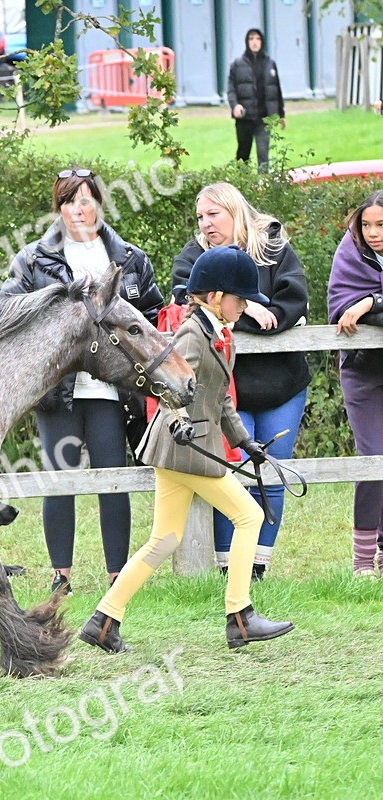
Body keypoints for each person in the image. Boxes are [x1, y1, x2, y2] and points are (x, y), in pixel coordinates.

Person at [80, 245, 295, 653]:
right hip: (186, 446)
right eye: (240, 298)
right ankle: (240, 617)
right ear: (216, 296)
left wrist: (244, 441)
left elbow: (219, 399)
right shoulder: (193, 334)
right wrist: (179, 421)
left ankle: (103, 621)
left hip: (183, 448)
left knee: (164, 539)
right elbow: (166, 385)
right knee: (249, 515)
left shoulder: (219, 334)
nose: (245, 305)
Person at [1, 168, 163, 594]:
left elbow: (155, 315)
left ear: (100, 204)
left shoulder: (131, 258)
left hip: (114, 389)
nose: (79, 208)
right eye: (70, 200)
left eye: (86, 199)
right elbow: (8, 311)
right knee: (61, 479)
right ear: (59, 207)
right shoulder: (34, 259)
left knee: (113, 479)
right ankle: (61, 576)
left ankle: (118, 576)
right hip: (59, 392)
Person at [171, 182, 310, 579]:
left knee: (274, 471)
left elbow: (292, 302)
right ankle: (227, 566)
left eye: (213, 214)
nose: (206, 223)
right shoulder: (195, 255)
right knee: (230, 474)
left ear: (234, 211)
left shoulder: (272, 245)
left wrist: (240, 312)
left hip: (281, 381)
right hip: (225, 386)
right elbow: (187, 299)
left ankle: (258, 567)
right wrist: (251, 307)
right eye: (200, 216)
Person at [327, 190, 383, 577]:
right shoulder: (349, 254)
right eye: (366, 225)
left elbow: (360, 310)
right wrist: (365, 304)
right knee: (373, 458)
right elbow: (338, 310)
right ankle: (363, 561)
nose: (373, 232)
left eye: (381, 225)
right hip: (362, 371)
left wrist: (370, 304)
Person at [226, 28, 285, 172]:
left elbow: (276, 89)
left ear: (262, 42)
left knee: (263, 155)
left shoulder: (270, 64)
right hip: (245, 118)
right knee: (243, 154)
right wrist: (235, 105)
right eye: (251, 39)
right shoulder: (237, 65)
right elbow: (231, 89)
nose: (254, 42)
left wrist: (281, 114)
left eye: (257, 39)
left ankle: (263, 187)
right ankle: (241, 183)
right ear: (247, 42)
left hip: (264, 118)